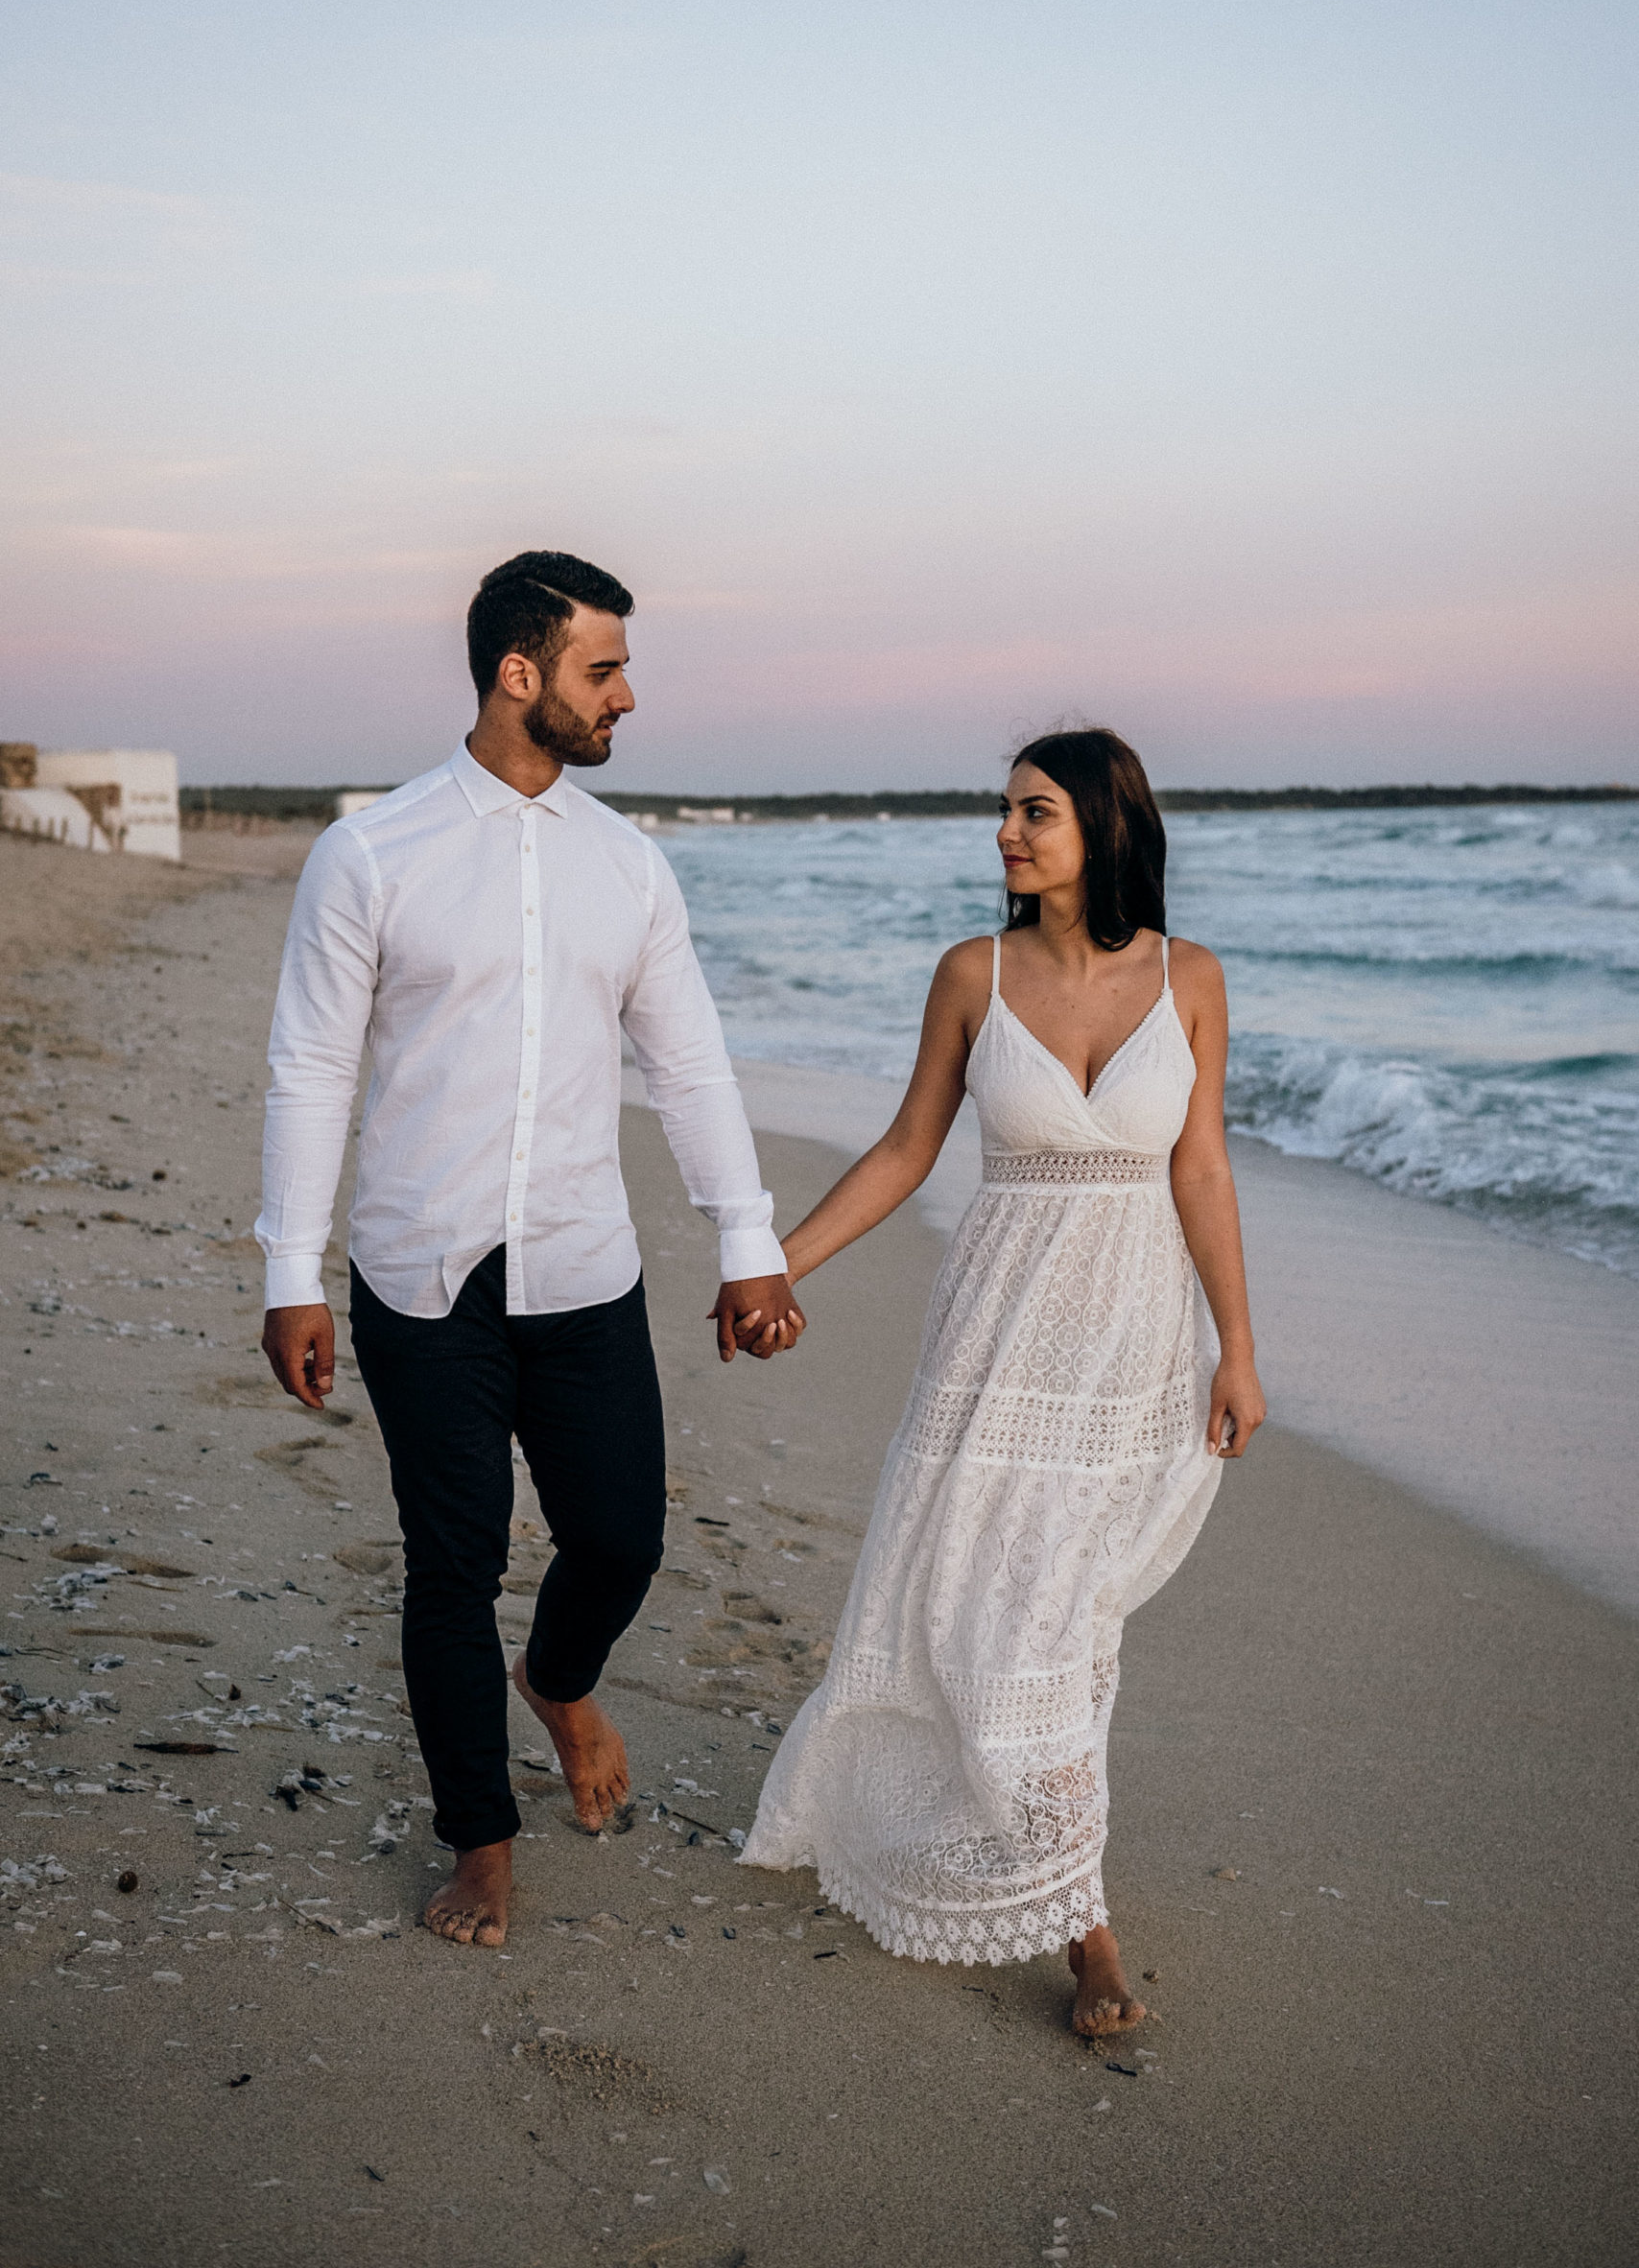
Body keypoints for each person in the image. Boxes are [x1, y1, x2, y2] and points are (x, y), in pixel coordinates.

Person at [256, 550, 805, 1949]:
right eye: (603, 668)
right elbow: (310, 1069)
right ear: (520, 673)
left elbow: (691, 1069)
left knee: (620, 1535)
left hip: (582, 1266)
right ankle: (480, 1841)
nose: (629, 693)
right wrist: (289, 1273)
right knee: (452, 1561)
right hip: (419, 1274)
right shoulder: (369, 853)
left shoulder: (628, 866)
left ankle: (558, 1680)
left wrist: (749, 1243)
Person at [741, 727, 1265, 2036]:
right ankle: (1082, 1920)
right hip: (996, 1348)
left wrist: (1237, 1347)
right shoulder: (971, 974)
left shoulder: (1188, 978)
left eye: (1035, 812)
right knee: (994, 1609)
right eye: (1004, 812)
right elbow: (909, 1146)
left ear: (1106, 826)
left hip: (1132, 1356)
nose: (1007, 834)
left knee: (1068, 1623)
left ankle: (1077, 1918)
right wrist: (771, 1264)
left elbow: (1199, 1169)